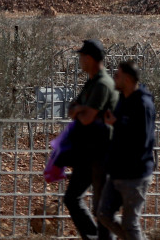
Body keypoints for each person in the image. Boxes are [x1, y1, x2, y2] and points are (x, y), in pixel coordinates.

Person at [65, 40, 119, 240]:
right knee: (72, 198)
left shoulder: (103, 84)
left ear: (89, 58)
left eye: (81, 57)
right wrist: (80, 110)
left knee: (102, 209)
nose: (80, 61)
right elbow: (73, 109)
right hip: (87, 154)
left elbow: (85, 117)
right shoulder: (91, 83)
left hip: (102, 154)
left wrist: (80, 110)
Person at [96, 62, 156, 240]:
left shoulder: (143, 105)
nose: (113, 78)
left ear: (128, 79)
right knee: (104, 214)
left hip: (135, 173)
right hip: (118, 171)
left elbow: (142, 141)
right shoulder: (124, 99)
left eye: (117, 75)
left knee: (130, 223)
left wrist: (117, 123)